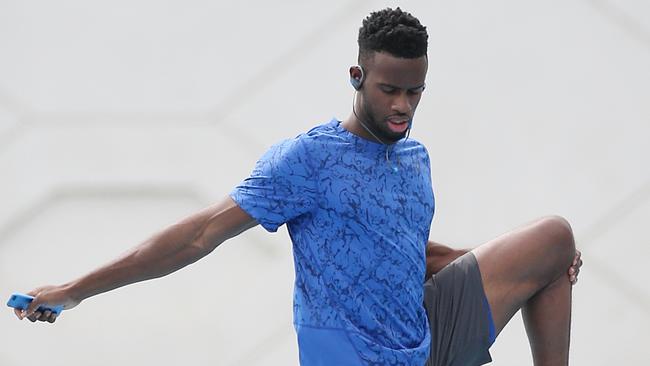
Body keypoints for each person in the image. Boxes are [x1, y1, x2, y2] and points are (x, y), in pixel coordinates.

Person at [14, 7, 582, 366]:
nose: (402, 106)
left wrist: (486, 264)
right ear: (356, 77)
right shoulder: (308, 160)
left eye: (414, 92)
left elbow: (400, 250)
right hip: (351, 356)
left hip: (423, 339)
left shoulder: (414, 158)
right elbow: (197, 235)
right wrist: (76, 289)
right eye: (389, 90)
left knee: (555, 241)